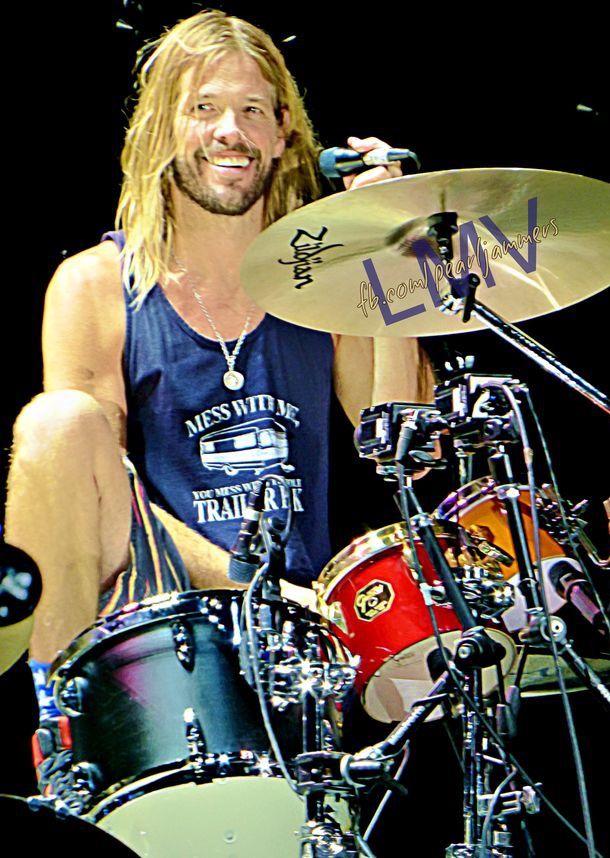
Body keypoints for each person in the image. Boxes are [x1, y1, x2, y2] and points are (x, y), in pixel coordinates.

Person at [4, 9, 433, 722]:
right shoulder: (96, 284)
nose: (229, 132)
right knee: (58, 424)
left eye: (252, 110)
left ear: (283, 132)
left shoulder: (325, 285)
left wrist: (391, 250)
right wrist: (248, 584)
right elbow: (95, 495)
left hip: (300, 641)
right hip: (161, 614)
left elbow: (403, 452)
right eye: (203, 108)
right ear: (162, 128)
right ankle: (61, 738)